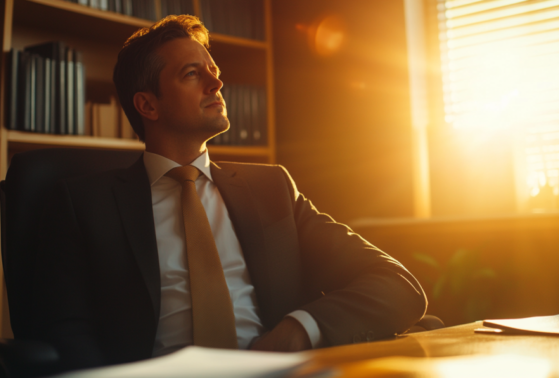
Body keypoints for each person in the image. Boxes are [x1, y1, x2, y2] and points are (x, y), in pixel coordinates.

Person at [34, 15, 426, 373]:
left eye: (214, 71)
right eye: (192, 73)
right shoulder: (84, 204)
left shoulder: (271, 189)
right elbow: (68, 334)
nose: (217, 82)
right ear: (147, 104)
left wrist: (296, 330)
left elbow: (395, 283)